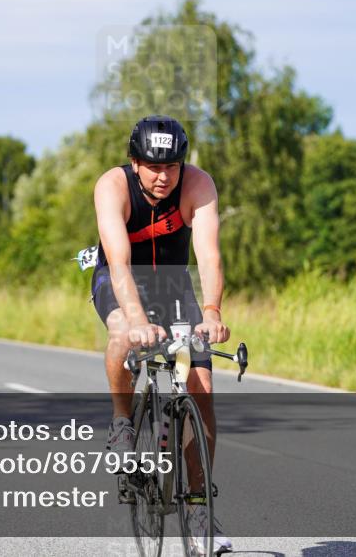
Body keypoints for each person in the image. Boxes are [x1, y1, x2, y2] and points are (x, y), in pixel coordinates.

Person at [92, 115, 232, 554]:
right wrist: (135, 320)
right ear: (135, 163)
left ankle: (198, 509)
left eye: (171, 166)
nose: (162, 175)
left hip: (174, 285)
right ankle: (121, 425)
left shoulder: (198, 185)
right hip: (121, 281)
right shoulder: (112, 186)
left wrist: (211, 311)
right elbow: (117, 262)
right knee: (121, 334)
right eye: (153, 166)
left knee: (201, 386)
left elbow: (208, 255)